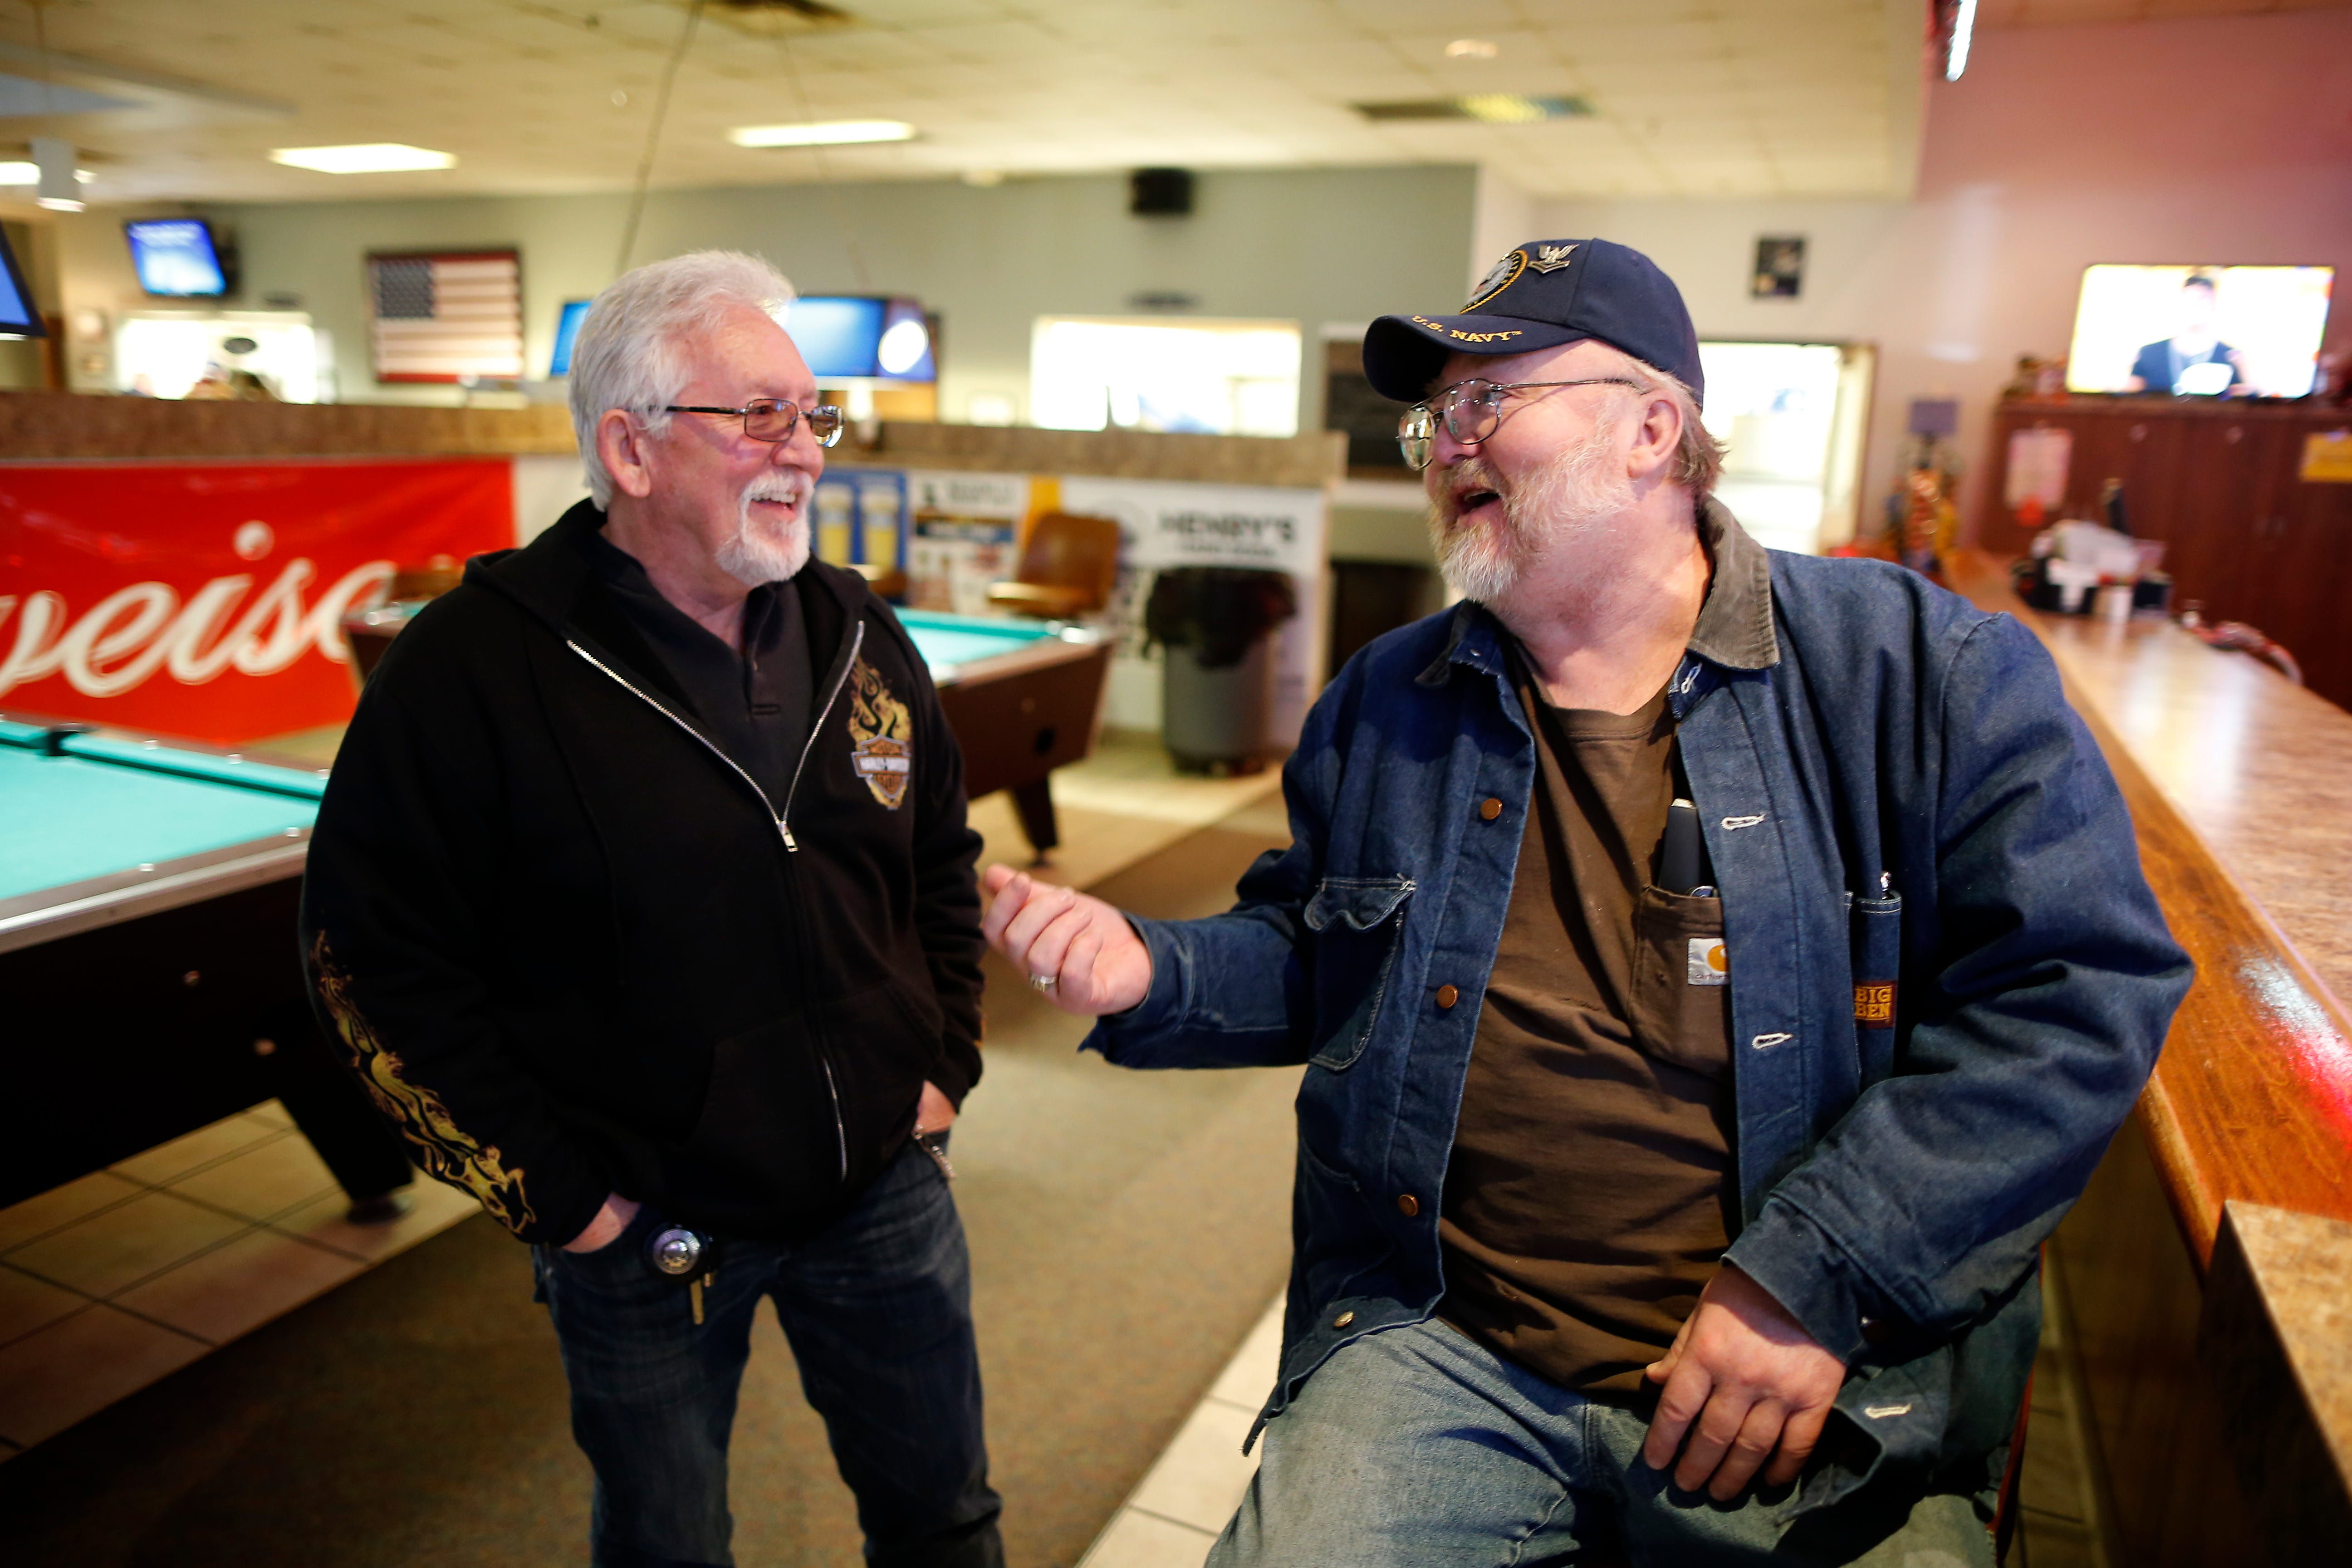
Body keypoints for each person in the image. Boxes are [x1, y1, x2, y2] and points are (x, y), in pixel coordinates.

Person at [983, 238, 2190, 1565]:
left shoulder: (1921, 672)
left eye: (1488, 402)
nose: (1447, 446)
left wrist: (1822, 1275)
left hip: (1814, 1379)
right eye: (1433, 419)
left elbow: (2077, 996)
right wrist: (1149, 970)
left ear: (1652, 429)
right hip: (1444, 1346)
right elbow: (1318, 949)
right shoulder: (1389, 699)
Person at [300, 250, 1003, 1568]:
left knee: (946, 1521)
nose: (805, 451)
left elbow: (937, 869)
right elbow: (369, 965)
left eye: (815, 415)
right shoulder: (472, 668)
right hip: (645, 1236)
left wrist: (940, 1065)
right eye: (760, 416)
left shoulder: (858, 629)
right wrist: (563, 1201)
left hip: (884, 1192)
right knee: (667, 1550)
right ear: (629, 448)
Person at [2125, 273, 2246, 394]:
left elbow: (2242, 403)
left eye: (2201, 300)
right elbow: (2130, 401)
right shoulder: (2150, 354)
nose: (2194, 306)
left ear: (2214, 305)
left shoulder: (2231, 357)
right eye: (2188, 299)